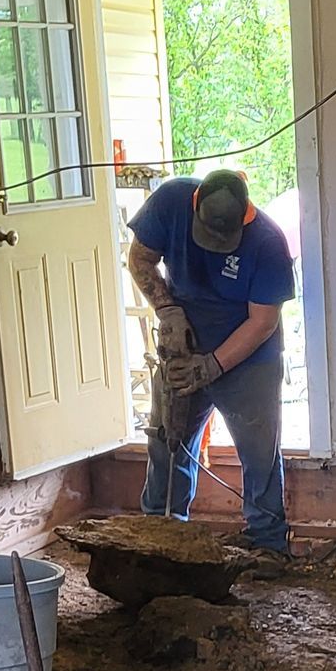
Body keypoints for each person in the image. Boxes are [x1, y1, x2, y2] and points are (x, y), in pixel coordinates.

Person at [126, 167, 297, 550]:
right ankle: (161, 536)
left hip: (249, 357)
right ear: (195, 205)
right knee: (168, 440)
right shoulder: (171, 202)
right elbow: (140, 258)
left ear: (245, 217)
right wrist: (169, 311)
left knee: (259, 454)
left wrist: (213, 366)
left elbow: (263, 322)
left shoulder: (268, 243)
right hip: (184, 345)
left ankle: (267, 544)